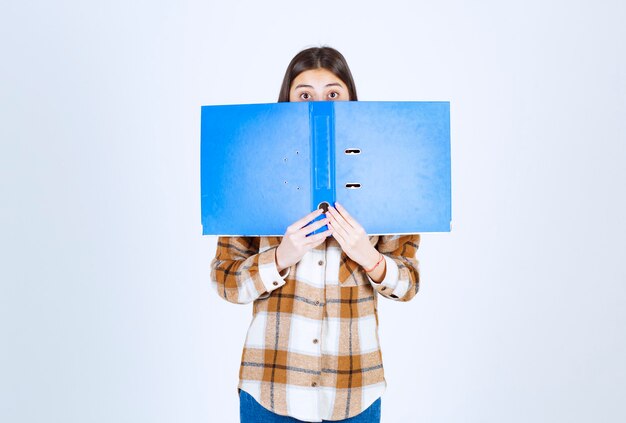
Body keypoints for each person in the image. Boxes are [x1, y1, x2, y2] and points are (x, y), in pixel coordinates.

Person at [210, 46, 421, 423]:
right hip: (271, 388)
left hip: (354, 390)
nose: (319, 104)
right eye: (305, 94)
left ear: (351, 100)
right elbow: (225, 281)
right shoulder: (252, 168)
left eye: (333, 94)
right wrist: (279, 257)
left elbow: (408, 284)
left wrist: (367, 256)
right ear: (287, 101)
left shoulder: (387, 173)